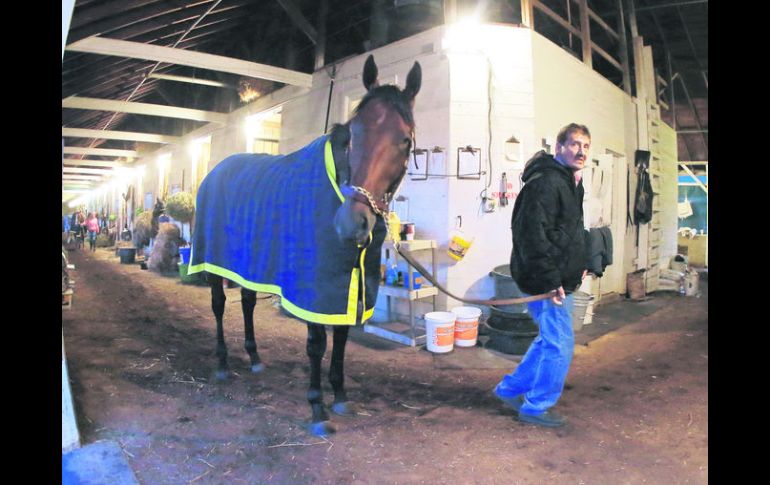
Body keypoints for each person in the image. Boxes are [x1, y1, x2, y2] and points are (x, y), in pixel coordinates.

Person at [493, 123, 590, 428]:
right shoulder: (546, 183)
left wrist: (581, 261)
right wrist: (551, 281)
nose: (581, 151)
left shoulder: (571, 183)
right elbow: (531, 236)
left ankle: (510, 389)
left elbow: (567, 232)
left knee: (549, 340)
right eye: (574, 144)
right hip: (545, 282)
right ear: (559, 147)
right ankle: (536, 407)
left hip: (561, 278)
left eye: (586, 146)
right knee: (560, 344)